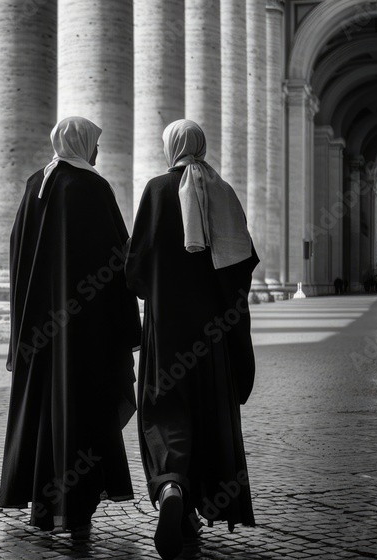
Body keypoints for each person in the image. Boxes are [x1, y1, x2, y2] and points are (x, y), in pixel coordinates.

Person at [0, 116, 140, 541]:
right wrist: (122, 323)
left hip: (40, 333)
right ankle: (77, 511)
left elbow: (18, 257)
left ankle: (44, 509)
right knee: (84, 413)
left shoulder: (34, 185)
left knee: (44, 412)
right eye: (95, 145)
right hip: (87, 335)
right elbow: (120, 259)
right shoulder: (93, 188)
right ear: (83, 144)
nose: (97, 153)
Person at [124, 119, 257, 560]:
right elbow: (241, 267)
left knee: (166, 412)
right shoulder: (223, 192)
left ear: (171, 147)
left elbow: (135, 267)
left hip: (167, 331)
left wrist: (160, 289)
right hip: (213, 337)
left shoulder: (157, 190)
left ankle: (171, 487)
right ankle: (193, 510)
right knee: (205, 413)